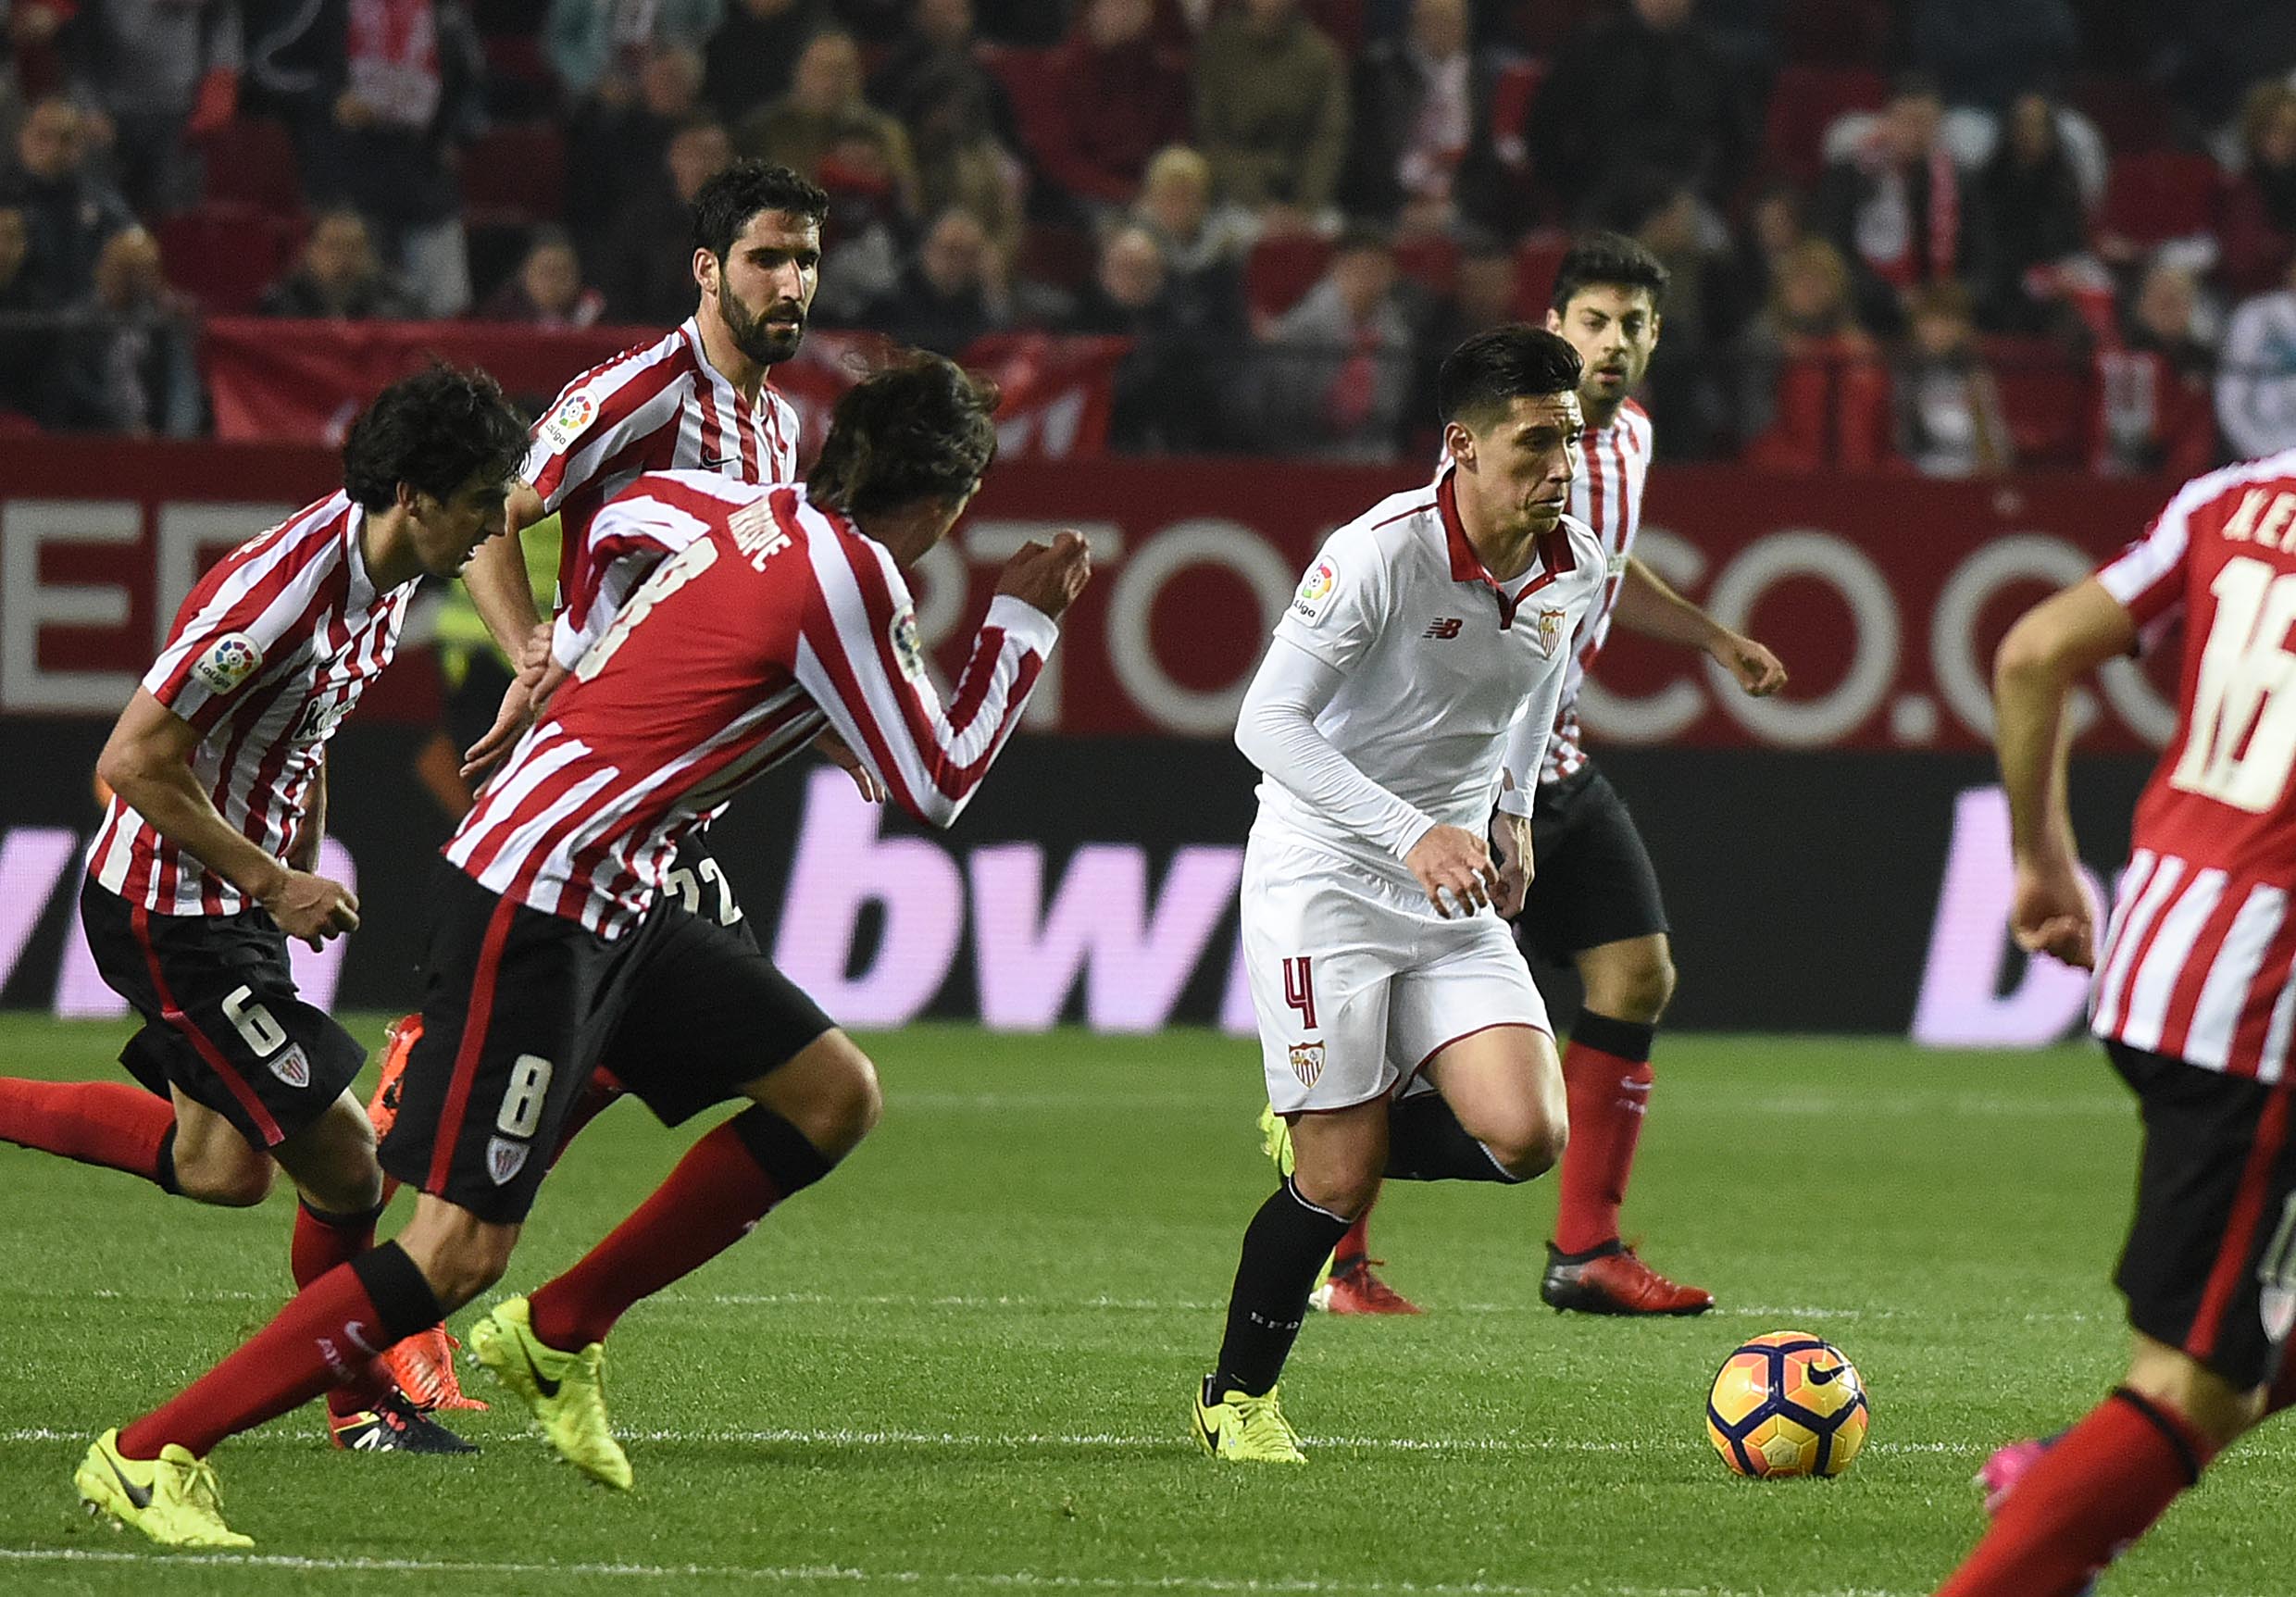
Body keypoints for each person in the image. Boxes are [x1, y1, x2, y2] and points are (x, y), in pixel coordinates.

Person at [74, 353, 1093, 1547]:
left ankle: (558, 1332)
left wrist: (586, 660)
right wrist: (1024, 620)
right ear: (947, 502)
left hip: (622, 887)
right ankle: (150, 1452)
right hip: (542, 893)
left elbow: (614, 525)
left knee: (830, 1095)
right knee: (451, 1252)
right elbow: (939, 778)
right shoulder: (858, 575)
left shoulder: (743, 507)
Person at [363, 158, 830, 1407]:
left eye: (805, 262)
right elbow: (494, 514)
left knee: (624, 1062)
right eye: (766, 260)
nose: (790, 285)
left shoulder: (778, 427)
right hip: (590, 798)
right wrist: (536, 654)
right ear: (707, 269)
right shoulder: (637, 389)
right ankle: (420, 1306)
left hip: (671, 812)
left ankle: (478, 1273)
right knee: (579, 1057)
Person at [0, 365, 527, 1456]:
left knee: (222, 1169)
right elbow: (133, 758)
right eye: (479, 499)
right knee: (347, 1158)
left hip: (226, 907)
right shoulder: (277, 594)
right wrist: (270, 880)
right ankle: (357, 1408)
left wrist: (295, 853)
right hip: (166, 908)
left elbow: (304, 730)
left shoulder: (381, 580)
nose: (493, 525)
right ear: (416, 496)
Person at [1275, 233, 1790, 1317]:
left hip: (1545, 768)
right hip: (1450, 783)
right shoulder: (1503, 454)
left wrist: (1709, 637)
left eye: (1636, 326)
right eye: (1594, 321)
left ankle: (1583, 1252)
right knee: (1393, 1022)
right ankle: (1339, 1241)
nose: (1615, 345)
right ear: (1554, 327)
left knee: (1636, 974)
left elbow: (1606, 565)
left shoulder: (1631, 440)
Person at [1194, 324, 1609, 1461]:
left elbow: (1533, 687)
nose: (1558, 468)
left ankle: (1330, 1126)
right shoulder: (1377, 554)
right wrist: (1412, 829)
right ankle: (1235, 1398)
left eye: (1567, 441)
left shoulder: (1570, 558)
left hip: (1447, 885)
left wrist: (1511, 808)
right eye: (1532, 445)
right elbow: (1262, 724)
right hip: (1323, 878)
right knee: (1335, 1179)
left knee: (1528, 1134)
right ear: (1460, 447)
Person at [1931, 446, 2296, 1597]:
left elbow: (2033, 649)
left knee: (2220, 1343)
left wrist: (2039, 865)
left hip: (2158, 947)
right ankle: (2065, 1511)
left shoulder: (2234, 494)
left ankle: (2070, 1474)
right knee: (2198, 1381)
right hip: (2265, 999)